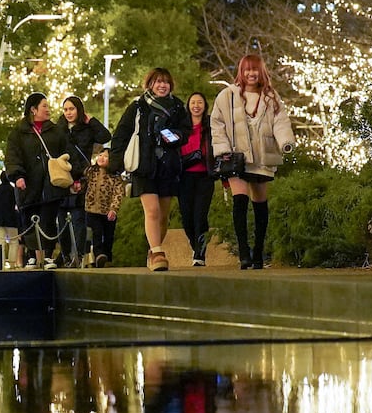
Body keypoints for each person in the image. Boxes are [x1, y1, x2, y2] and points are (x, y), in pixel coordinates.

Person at [210, 55, 296, 269]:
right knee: (240, 200)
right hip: (236, 159)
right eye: (247, 69)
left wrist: (286, 142)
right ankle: (243, 252)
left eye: (255, 69)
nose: (251, 74)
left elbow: (281, 122)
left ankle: (258, 251)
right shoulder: (226, 96)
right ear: (241, 71)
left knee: (260, 204)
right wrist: (222, 151)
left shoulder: (270, 97)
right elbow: (217, 124)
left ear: (261, 71)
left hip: (262, 157)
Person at [108, 67, 190, 272]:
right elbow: (121, 134)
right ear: (150, 84)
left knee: (163, 215)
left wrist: (168, 136)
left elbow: (185, 133)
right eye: (158, 81)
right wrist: (115, 161)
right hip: (144, 166)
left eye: (166, 82)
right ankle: (157, 251)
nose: (162, 85)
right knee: (152, 211)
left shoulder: (178, 106)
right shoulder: (138, 106)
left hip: (168, 166)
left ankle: (153, 251)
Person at [5, 93, 76, 270]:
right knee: (28, 220)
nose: (48, 109)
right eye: (44, 106)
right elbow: (12, 157)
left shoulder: (56, 131)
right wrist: (17, 176)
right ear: (33, 109)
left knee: (49, 220)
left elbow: (68, 152)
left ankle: (48, 256)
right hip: (28, 185)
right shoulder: (18, 133)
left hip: (51, 184)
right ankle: (31, 256)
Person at [58, 96, 112, 266]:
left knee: (79, 218)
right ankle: (64, 254)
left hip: (82, 178)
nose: (68, 113)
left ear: (79, 110)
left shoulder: (87, 128)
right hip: (62, 178)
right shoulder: (59, 128)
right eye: (66, 109)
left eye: (72, 109)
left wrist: (92, 120)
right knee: (60, 219)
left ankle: (78, 255)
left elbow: (105, 136)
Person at [178, 92, 216, 266]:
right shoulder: (181, 126)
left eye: (200, 102)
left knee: (200, 215)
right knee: (187, 217)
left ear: (205, 105)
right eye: (193, 102)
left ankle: (200, 254)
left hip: (204, 176)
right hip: (184, 176)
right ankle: (195, 246)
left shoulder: (210, 125)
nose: (196, 105)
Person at [83, 147, 124, 267]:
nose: (102, 158)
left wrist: (113, 209)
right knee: (96, 232)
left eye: (106, 156)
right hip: (91, 210)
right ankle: (98, 254)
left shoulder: (114, 177)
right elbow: (82, 181)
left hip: (108, 211)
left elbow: (118, 193)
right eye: (100, 155)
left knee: (109, 235)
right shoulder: (90, 172)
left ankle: (107, 257)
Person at [0, 171, 22, 268]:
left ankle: (1, 264)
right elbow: (18, 206)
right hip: (12, 220)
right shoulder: (14, 191)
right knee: (14, 242)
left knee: (0, 243)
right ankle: (12, 264)